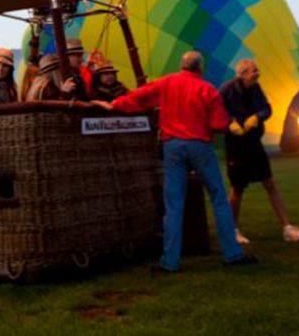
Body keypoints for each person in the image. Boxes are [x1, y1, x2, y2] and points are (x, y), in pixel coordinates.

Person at [100, 50, 255, 272]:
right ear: (200, 67)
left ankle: (170, 262)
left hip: (172, 147)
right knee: (219, 198)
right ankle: (232, 254)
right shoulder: (208, 90)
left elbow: (140, 97)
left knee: (173, 205)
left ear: (182, 66)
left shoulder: (166, 83)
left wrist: (115, 104)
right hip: (200, 146)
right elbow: (219, 124)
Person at [220, 59, 299, 244]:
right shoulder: (227, 90)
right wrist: (229, 123)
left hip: (253, 143)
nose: (257, 74)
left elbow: (266, 108)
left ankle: (287, 228)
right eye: (253, 71)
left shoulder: (256, 89)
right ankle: (232, 231)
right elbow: (215, 110)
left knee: (269, 183)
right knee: (237, 188)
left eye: (257, 70)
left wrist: (257, 117)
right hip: (236, 145)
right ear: (242, 74)